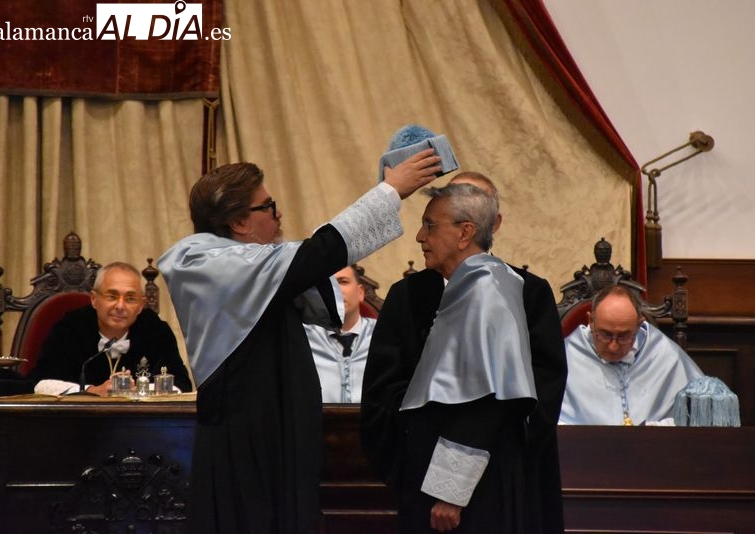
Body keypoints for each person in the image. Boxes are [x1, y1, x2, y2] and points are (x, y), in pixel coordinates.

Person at [157, 150, 442, 533]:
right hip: (245, 436)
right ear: (240, 221)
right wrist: (391, 191)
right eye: (268, 207)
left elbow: (313, 271)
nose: (278, 216)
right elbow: (319, 253)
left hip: (279, 429)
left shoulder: (251, 261)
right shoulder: (205, 262)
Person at [361, 172, 567, 534]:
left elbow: (489, 399)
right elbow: (386, 382)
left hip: (483, 480)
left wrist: (451, 487)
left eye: (429, 225)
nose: (419, 236)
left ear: (465, 232)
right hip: (427, 473)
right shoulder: (413, 294)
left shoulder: (494, 290)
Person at [27, 261, 193, 396]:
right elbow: (40, 383)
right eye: (112, 296)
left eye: (130, 299)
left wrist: (137, 392)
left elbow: (181, 386)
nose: (120, 306)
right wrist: (92, 392)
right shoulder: (69, 328)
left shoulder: (156, 331)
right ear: (94, 299)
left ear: (141, 306)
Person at [560, 283, 704, 425]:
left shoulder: (664, 353)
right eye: (605, 334)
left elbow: (700, 413)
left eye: (623, 336)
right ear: (591, 321)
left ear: (639, 325)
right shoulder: (566, 355)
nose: (613, 347)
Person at [304, 264, 375, 403]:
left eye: (343, 282)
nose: (335, 290)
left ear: (360, 293)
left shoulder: (382, 334)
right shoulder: (303, 337)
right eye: (328, 284)